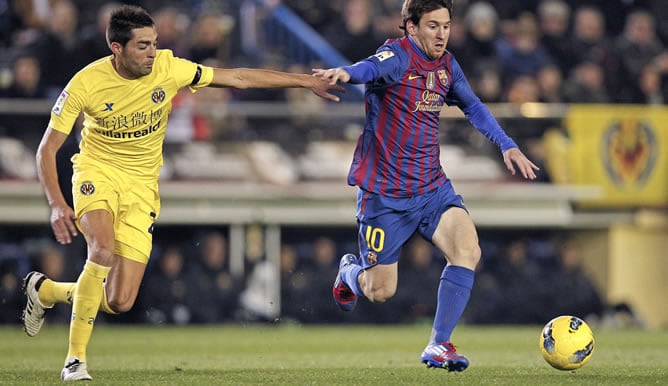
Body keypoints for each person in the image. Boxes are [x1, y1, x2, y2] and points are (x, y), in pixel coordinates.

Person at [20, 4, 343, 382]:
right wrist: (57, 204)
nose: (152, 53)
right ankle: (75, 360)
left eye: (154, 43)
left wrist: (304, 81)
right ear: (117, 49)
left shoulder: (169, 68)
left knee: (119, 300)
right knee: (102, 250)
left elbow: (237, 77)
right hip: (97, 174)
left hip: (142, 188)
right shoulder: (86, 82)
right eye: (142, 46)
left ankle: (45, 291)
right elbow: (46, 149)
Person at [314, 0, 538, 372]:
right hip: (384, 196)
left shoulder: (447, 66)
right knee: (380, 291)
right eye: (433, 26)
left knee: (468, 250)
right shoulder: (397, 56)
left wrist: (507, 144)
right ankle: (349, 272)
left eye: (446, 25)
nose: (442, 34)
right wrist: (344, 73)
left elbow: (473, 106)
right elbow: (369, 68)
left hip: (432, 188)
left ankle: (439, 343)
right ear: (411, 27)